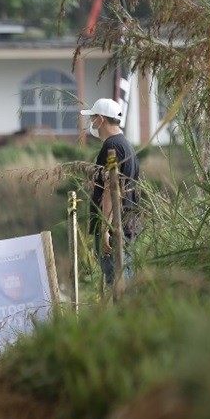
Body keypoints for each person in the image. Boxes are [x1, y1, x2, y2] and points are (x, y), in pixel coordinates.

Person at [81, 97, 140, 290]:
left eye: (93, 118)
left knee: (117, 284)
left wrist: (106, 228)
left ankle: (124, 319)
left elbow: (111, 188)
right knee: (124, 281)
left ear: (101, 119)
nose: (92, 123)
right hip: (126, 225)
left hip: (116, 227)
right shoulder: (126, 145)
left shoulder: (111, 147)